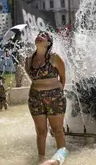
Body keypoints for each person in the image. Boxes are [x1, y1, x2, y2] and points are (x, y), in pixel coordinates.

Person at [25, 31, 67, 163]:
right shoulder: (28, 60)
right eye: (39, 34)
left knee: (57, 130)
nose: (40, 35)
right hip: (35, 99)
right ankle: (41, 160)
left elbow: (63, 77)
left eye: (44, 35)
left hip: (55, 98)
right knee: (40, 131)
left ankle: (60, 159)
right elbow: (33, 79)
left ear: (48, 43)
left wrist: (56, 92)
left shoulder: (55, 58)